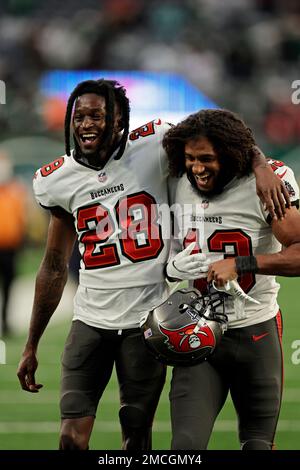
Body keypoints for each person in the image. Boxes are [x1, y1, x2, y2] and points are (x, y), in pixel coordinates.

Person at [16, 79, 290, 451]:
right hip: (114, 320)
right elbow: (52, 264)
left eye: (97, 115)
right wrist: (31, 343)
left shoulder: (155, 143)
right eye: (79, 116)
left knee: (142, 436)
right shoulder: (56, 180)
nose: (86, 124)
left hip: (167, 321)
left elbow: (217, 133)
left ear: (119, 121)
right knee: (82, 439)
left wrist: (260, 164)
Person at [162, 108, 300, 450]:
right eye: (191, 158)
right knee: (184, 448)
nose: (197, 168)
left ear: (230, 153)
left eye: (207, 158)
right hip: (197, 330)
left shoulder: (268, 183)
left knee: (257, 445)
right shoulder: (177, 180)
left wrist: (242, 263)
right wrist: (173, 269)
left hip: (255, 330)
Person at [0, 150, 27, 336]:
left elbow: (22, 218)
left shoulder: (16, 189)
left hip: (11, 247)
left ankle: (5, 322)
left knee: (9, 286)